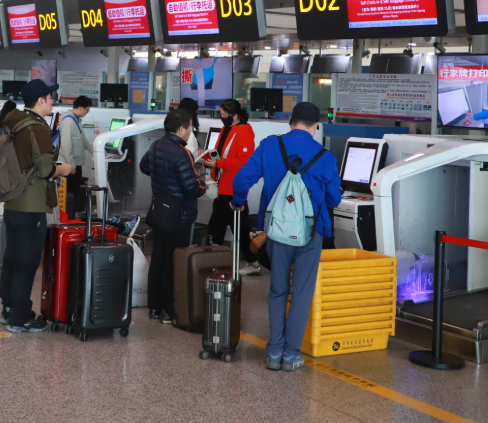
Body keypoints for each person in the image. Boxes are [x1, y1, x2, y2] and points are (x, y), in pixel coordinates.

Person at [231, 102, 341, 373]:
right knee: (301, 293)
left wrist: (238, 201)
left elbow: (242, 178)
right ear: (316, 127)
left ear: (290, 122)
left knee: (278, 289)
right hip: (310, 233)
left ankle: (274, 351)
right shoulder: (325, 155)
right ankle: (291, 355)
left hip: (277, 231)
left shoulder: (270, 145)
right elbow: (334, 199)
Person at [0, 80, 72, 332]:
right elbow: (44, 169)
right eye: (51, 98)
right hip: (31, 204)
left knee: (12, 256)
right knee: (27, 262)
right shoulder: (37, 128)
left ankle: (8, 308)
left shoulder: (13, 121)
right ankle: (20, 318)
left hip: (12, 200)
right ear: (40, 101)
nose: (53, 101)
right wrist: (64, 168)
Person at [139, 109, 207, 324]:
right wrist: (203, 185)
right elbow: (191, 188)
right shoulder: (182, 152)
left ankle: (153, 306)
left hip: (160, 211)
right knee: (174, 261)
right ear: (181, 129)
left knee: (158, 259)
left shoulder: (156, 145)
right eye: (189, 129)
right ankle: (169, 309)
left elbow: (144, 166)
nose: (189, 133)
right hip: (179, 216)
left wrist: (163, 177)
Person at [202, 99, 260, 276]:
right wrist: (207, 156)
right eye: (221, 114)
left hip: (233, 190)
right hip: (222, 188)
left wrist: (218, 163)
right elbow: (221, 152)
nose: (222, 117)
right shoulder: (227, 129)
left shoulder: (244, 131)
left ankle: (253, 262)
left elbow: (243, 161)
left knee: (240, 230)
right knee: (217, 228)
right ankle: (213, 262)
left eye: (225, 115)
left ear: (235, 115)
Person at [58, 95, 93, 211]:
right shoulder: (68, 121)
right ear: (81, 108)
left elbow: (84, 141)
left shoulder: (76, 120)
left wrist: (98, 150)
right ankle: (68, 219)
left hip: (75, 165)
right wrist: (71, 165)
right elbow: (66, 145)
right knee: (70, 195)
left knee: (75, 193)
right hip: (69, 166)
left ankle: (72, 216)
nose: (87, 113)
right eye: (87, 110)